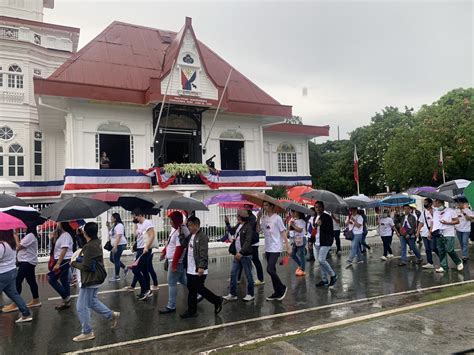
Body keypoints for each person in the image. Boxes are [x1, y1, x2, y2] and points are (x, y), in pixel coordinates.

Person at [71, 222, 120, 342]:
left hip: (91, 278)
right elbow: (86, 247)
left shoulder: (90, 246)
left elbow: (86, 266)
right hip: (97, 277)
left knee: (81, 306)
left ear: (86, 233)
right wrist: (80, 235)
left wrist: (73, 263)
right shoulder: (96, 242)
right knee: (92, 301)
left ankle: (87, 332)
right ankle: (111, 315)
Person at [179, 216, 223, 318]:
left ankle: (217, 300)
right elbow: (184, 244)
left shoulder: (202, 236)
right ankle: (192, 310)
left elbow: (203, 253)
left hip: (198, 268)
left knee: (199, 288)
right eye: (188, 225)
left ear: (196, 225)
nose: (188, 227)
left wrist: (201, 266)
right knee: (192, 289)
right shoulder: (191, 236)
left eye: (190, 225)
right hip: (190, 269)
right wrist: (181, 233)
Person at [2, 226, 41, 313]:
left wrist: (15, 236)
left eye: (24, 226)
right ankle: (36, 300)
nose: (22, 227)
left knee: (18, 281)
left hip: (27, 262)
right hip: (28, 261)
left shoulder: (30, 235)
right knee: (31, 281)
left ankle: (15, 304)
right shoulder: (29, 235)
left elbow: (19, 246)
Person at [257, 201, 291, 301]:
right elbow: (258, 230)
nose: (265, 207)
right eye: (264, 205)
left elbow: (283, 232)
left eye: (267, 205)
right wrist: (258, 218)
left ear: (272, 206)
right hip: (268, 248)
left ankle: (282, 287)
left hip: (276, 247)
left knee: (270, 269)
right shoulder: (264, 218)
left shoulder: (277, 218)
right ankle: (277, 292)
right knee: (273, 271)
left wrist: (287, 245)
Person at [159, 211, 190, 314]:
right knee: (183, 280)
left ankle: (171, 306)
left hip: (176, 261)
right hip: (173, 260)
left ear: (176, 221)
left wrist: (174, 264)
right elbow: (170, 243)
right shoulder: (175, 229)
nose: (170, 222)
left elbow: (179, 248)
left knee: (172, 283)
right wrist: (164, 252)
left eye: (171, 220)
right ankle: (199, 292)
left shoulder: (181, 231)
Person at [0, 230, 32, 323]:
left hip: (2, 274)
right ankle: (26, 314)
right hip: (12, 271)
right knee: (14, 294)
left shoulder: (2, 245)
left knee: (14, 294)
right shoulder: (11, 244)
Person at [223, 210, 255, 302]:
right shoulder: (239, 225)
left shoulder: (248, 227)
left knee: (249, 275)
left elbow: (248, 241)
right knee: (233, 274)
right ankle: (232, 294)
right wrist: (227, 223)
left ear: (241, 217)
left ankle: (251, 294)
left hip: (245, 255)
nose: (237, 217)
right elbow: (232, 232)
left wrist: (241, 252)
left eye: (238, 215)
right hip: (237, 255)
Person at [430, 199, 463, 273]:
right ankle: (443, 266)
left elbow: (457, 221)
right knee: (441, 250)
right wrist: (431, 231)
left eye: (435, 202)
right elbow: (433, 222)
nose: (434, 203)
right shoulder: (435, 212)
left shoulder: (450, 211)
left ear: (439, 202)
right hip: (439, 233)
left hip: (448, 233)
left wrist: (447, 223)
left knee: (449, 249)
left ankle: (458, 262)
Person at [131, 208, 157, 301]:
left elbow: (152, 235)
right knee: (144, 271)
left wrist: (146, 247)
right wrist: (135, 224)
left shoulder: (148, 223)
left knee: (135, 269)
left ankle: (145, 290)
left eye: (136, 216)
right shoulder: (139, 224)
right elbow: (136, 235)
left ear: (140, 215)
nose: (135, 218)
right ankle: (146, 291)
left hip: (145, 250)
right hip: (139, 249)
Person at [48, 222, 74, 310]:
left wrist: (58, 263)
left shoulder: (66, 235)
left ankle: (66, 297)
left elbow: (64, 249)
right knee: (64, 280)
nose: (57, 225)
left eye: (58, 223)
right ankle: (66, 302)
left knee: (51, 279)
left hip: (64, 260)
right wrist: (53, 238)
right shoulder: (60, 235)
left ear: (62, 224)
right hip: (60, 259)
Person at [314, 202, 337, 287]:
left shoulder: (327, 217)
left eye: (319, 207)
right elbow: (314, 230)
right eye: (316, 207)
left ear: (323, 208)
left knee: (321, 259)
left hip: (326, 241)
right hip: (317, 242)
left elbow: (330, 230)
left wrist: (322, 225)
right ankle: (324, 280)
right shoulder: (315, 217)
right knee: (320, 262)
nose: (318, 209)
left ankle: (333, 275)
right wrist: (311, 240)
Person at [244, 203, 265, 286]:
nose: (245, 208)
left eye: (246, 207)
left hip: (253, 242)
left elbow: (251, 230)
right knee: (245, 260)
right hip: (248, 242)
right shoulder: (247, 218)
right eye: (244, 207)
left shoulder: (252, 218)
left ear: (250, 208)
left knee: (255, 260)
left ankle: (261, 279)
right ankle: (238, 277)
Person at [416, 198, 438, 269]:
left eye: (426, 203)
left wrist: (430, 231)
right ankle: (430, 262)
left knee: (434, 248)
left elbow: (435, 222)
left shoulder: (435, 211)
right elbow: (421, 223)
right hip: (424, 233)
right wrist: (417, 232)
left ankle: (443, 258)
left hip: (433, 232)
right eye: (424, 203)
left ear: (430, 204)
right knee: (427, 249)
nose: (425, 204)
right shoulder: (424, 212)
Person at [107, 213, 128, 281]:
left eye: (112, 217)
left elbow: (119, 236)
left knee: (116, 259)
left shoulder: (119, 225)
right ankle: (125, 267)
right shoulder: (115, 226)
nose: (111, 219)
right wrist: (108, 226)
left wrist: (115, 246)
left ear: (115, 218)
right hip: (115, 245)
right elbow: (112, 233)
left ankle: (117, 276)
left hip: (119, 245)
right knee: (112, 259)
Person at [288, 210, 307, 276]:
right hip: (295, 239)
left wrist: (293, 225)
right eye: (292, 212)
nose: (292, 213)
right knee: (292, 254)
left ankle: (303, 269)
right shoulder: (293, 220)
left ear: (298, 212)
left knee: (301, 254)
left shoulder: (302, 221)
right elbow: (290, 230)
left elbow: (300, 230)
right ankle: (300, 265)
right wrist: (290, 224)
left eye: (294, 212)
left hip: (301, 238)